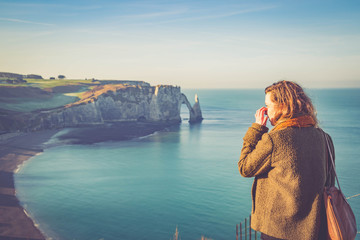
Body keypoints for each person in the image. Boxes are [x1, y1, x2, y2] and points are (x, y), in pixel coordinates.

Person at [238, 80, 335, 240]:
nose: (265, 111)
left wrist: (257, 128)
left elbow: (245, 168)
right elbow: (329, 183)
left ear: (283, 106)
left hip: (278, 231)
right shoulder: (325, 138)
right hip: (317, 231)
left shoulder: (275, 140)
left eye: (268, 106)